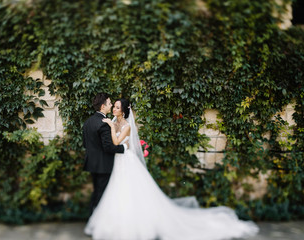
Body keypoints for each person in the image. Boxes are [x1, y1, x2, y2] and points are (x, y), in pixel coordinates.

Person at [84, 98, 259, 240]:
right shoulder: (113, 121)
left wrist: (109, 126)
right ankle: (117, 223)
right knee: (118, 192)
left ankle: (136, 225)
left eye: (116, 107)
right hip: (118, 161)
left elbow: (116, 142)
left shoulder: (126, 125)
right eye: (112, 106)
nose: (113, 109)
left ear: (123, 111)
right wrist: (111, 124)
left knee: (130, 192)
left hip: (126, 161)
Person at [82, 93, 128, 215]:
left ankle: (92, 218)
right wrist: (124, 148)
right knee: (102, 194)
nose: (111, 105)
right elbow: (108, 147)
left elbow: (85, 144)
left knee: (97, 191)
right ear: (103, 106)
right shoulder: (103, 123)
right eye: (109, 103)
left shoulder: (88, 122)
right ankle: (97, 221)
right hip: (103, 165)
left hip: (92, 163)